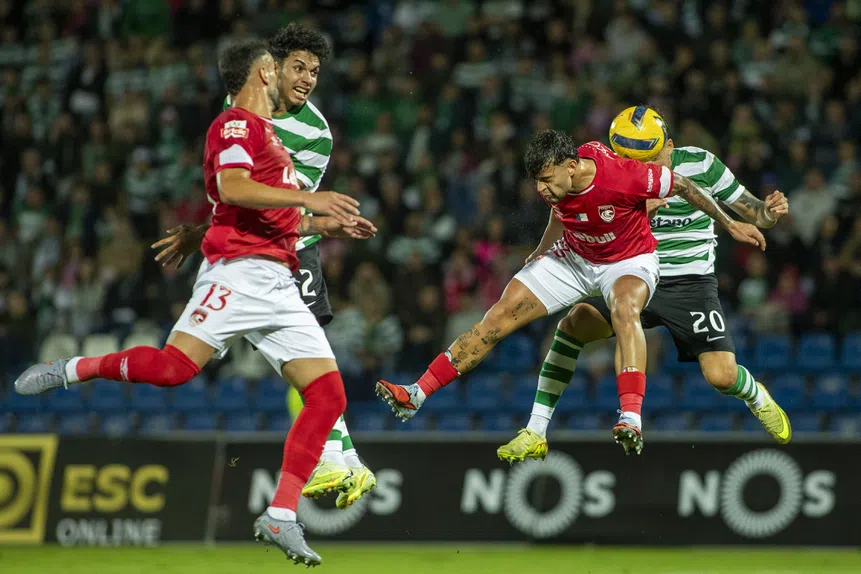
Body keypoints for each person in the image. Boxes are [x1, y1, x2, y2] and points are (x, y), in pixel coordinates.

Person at [16, 40, 375, 567]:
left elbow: (281, 218)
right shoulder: (235, 125)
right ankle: (71, 369)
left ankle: (280, 515)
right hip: (237, 274)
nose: (293, 77)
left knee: (328, 396)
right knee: (172, 370)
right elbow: (232, 187)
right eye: (281, 67)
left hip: (279, 280)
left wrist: (329, 223)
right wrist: (307, 198)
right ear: (261, 72)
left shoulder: (274, 136)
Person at [376, 130, 765, 455]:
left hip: (628, 260)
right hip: (574, 257)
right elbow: (560, 211)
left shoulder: (623, 175)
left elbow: (680, 183)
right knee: (497, 317)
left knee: (625, 310)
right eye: (537, 182)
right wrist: (542, 251)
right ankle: (417, 394)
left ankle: (630, 416)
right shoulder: (562, 179)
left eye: (547, 180)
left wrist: (730, 226)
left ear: (572, 167)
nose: (542, 189)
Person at [152, 23, 375, 510]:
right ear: (271, 69)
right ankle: (344, 458)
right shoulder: (239, 114)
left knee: (309, 347)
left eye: (315, 71)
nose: (307, 78)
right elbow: (232, 188)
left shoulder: (315, 132)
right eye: (298, 67)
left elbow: (295, 209)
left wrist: (323, 224)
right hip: (243, 243)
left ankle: (340, 457)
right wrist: (201, 233)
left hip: (295, 241)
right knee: (224, 360)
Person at [498, 107, 792, 464]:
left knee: (721, 375)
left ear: (670, 145)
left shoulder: (702, 165)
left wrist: (770, 213)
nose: (646, 166)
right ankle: (537, 427)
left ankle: (756, 396)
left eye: (653, 158)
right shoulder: (619, 172)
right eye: (635, 159)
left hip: (690, 282)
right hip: (630, 272)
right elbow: (568, 205)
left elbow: (755, 212)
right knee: (573, 325)